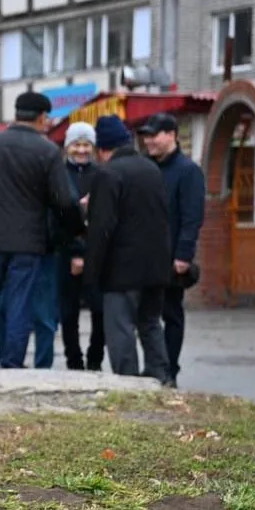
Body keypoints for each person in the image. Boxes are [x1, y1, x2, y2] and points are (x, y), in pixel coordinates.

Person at [0, 92, 82, 369]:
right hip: (27, 243)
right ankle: (12, 364)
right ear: (41, 117)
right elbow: (64, 200)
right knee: (19, 305)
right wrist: (75, 229)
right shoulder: (47, 151)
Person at [84, 116, 172, 383]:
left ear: (102, 149)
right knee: (150, 323)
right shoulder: (152, 169)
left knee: (120, 329)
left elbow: (102, 228)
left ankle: (129, 383)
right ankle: (161, 375)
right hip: (156, 267)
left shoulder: (108, 173)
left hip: (121, 271)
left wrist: (92, 273)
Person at [139, 113, 205, 386]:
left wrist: (183, 255)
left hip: (171, 257)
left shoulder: (187, 171)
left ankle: (170, 371)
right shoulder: (146, 167)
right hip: (145, 255)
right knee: (146, 315)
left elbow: (192, 216)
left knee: (171, 314)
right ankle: (154, 366)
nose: (148, 141)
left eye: (154, 135)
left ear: (172, 135)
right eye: (146, 136)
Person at [58, 122, 105, 372]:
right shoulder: (59, 174)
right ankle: (74, 362)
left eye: (87, 144)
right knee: (69, 314)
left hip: (96, 255)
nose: (82, 150)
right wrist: (76, 252)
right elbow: (59, 217)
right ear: (68, 147)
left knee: (100, 311)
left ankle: (95, 358)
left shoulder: (100, 175)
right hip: (66, 253)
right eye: (77, 144)